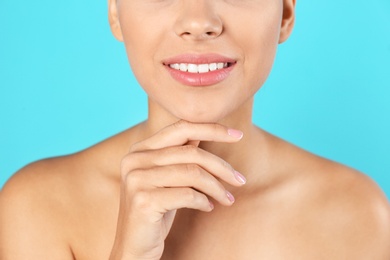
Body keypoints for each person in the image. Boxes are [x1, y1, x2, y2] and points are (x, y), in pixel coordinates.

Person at [1, 0, 389, 259]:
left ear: (285, 13)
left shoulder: (356, 214)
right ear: (116, 13)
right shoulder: (36, 208)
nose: (199, 22)